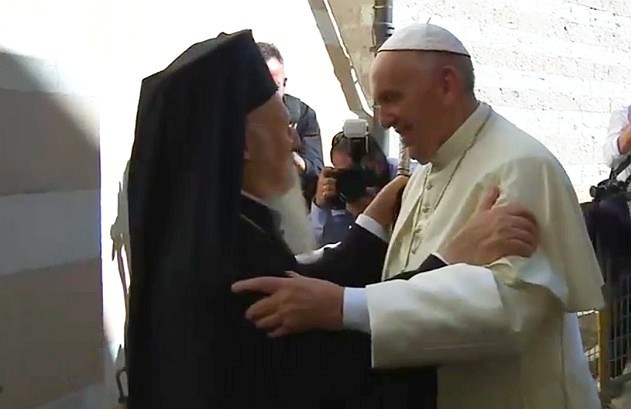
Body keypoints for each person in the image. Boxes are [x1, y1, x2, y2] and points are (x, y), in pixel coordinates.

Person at [232, 23, 605, 409]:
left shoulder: (521, 166)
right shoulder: (425, 171)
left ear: (446, 85)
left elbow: (511, 314)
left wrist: (346, 306)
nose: (385, 118)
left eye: (392, 98)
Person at [258, 42, 324, 206]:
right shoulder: (232, 115)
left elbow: (316, 172)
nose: (268, 95)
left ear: (284, 83)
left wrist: (292, 157)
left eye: (275, 86)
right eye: (260, 87)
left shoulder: (302, 116)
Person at [311, 131, 392, 246]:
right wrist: (320, 206)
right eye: (343, 174)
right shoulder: (339, 187)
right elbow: (323, 245)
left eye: (354, 174)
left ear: (377, 163)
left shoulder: (402, 176)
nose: (351, 182)